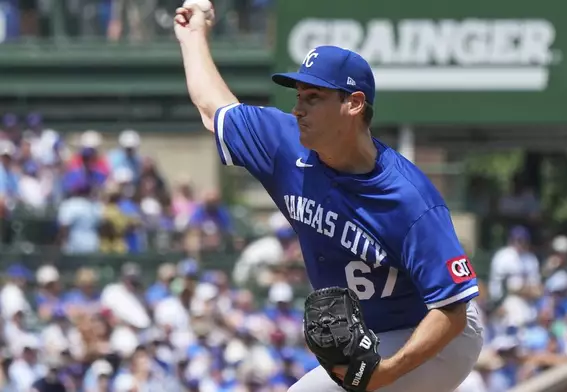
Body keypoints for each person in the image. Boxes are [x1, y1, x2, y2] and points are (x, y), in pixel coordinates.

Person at [174, 3, 484, 392]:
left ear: (353, 104)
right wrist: (193, 35)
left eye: (313, 97)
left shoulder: (409, 199)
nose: (298, 108)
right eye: (299, 95)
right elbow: (211, 105)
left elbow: (452, 309)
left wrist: (386, 371)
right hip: (379, 330)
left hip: (438, 336)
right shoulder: (283, 143)